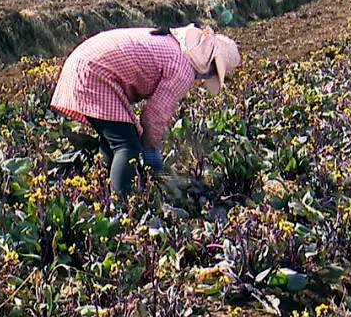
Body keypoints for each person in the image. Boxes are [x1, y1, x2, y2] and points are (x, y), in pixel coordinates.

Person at [50, 24, 240, 198]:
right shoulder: (183, 67)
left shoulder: (175, 44)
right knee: (127, 146)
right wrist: (151, 149)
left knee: (115, 140)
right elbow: (154, 114)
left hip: (86, 61)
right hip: (96, 72)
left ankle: (105, 187)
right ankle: (120, 204)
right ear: (211, 65)